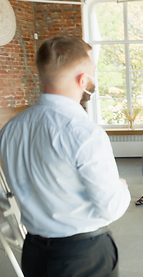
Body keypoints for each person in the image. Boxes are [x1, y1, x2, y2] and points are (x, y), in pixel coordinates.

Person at [0, 37, 130, 277]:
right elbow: (110, 207)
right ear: (83, 80)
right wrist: (121, 188)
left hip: (34, 254)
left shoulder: (10, 129)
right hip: (82, 257)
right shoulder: (84, 133)